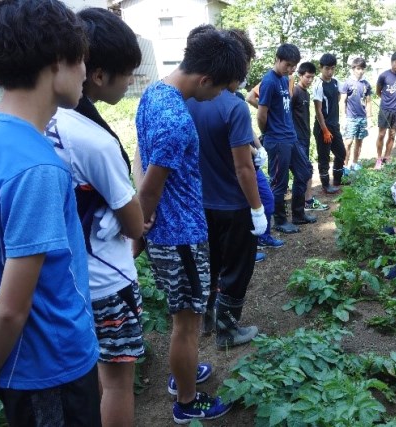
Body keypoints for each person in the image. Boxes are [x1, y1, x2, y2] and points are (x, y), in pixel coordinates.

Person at [0, 1, 101, 425]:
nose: (86, 72)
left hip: (23, 363)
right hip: (48, 366)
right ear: (57, 61)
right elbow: (13, 306)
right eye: (82, 59)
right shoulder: (38, 168)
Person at [135, 26, 247, 423]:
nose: (221, 96)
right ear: (204, 80)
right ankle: (186, 402)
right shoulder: (176, 120)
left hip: (171, 232)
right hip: (180, 235)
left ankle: (181, 374)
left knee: (184, 318)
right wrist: (137, 233)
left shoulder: (153, 93)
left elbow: (141, 163)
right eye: (221, 89)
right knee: (187, 322)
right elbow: (149, 190)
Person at [45, 8, 144, 427]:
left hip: (63, 280)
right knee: (119, 380)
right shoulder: (93, 138)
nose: (130, 83)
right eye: (127, 74)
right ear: (97, 75)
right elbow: (134, 222)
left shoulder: (40, 121)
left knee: (91, 374)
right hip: (109, 280)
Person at [186, 28, 263, 349]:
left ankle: (205, 317)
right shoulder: (233, 107)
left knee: (210, 263)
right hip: (233, 204)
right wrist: (258, 209)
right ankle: (227, 330)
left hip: (200, 203)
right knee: (236, 267)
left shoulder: (189, 100)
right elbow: (243, 168)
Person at [257, 43, 316, 233]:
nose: (290, 69)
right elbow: (261, 114)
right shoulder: (269, 81)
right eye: (288, 65)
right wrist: (269, 133)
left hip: (291, 137)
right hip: (277, 140)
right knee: (279, 182)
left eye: (293, 66)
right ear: (278, 59)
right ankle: (280, 221)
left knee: (304, 172)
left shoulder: (284, 80)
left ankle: (298, 214)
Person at [291, 62, 329, 211]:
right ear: (300, 75)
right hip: (296, 139)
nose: (310, 80)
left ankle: (307, 201)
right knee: (305, 170)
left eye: (312, 77)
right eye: (307, 77)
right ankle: (306, 201)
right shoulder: (295, 92)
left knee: (305, 170)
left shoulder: (306, 93)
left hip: (305, 137)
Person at [313, 53, 345, 194]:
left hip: (334, 125)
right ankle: (326, 185)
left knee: (341, 153)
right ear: (321, 68)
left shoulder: (336, 82)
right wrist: (325, 130)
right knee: (324, 156)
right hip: (323, 127)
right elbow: (318, 110)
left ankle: (337, 179)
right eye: (327, 68)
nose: (330, 72)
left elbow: (338, 97)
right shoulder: (318, 85)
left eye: (332, 68)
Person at [375, 51, 396, 170]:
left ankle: (387, 157)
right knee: (381, 134)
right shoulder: (384, 75)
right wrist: (386, 100)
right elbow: (378, 91)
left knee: (392, 135)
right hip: (385, 109)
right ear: (392, 62)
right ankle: (379, 158)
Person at [340, 57, 373, 172]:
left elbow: (368, 101)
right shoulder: (347, 83)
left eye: (362, 69)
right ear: (353, 69)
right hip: (350, 117)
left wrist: (369, 118)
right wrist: (343, 117)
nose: (360, 71)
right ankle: (344, 166)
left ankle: (355, 163)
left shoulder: (366, 84)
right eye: (358, 68)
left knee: (359, 141)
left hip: (362, 118)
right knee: (348, 142)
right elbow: (342, 101)